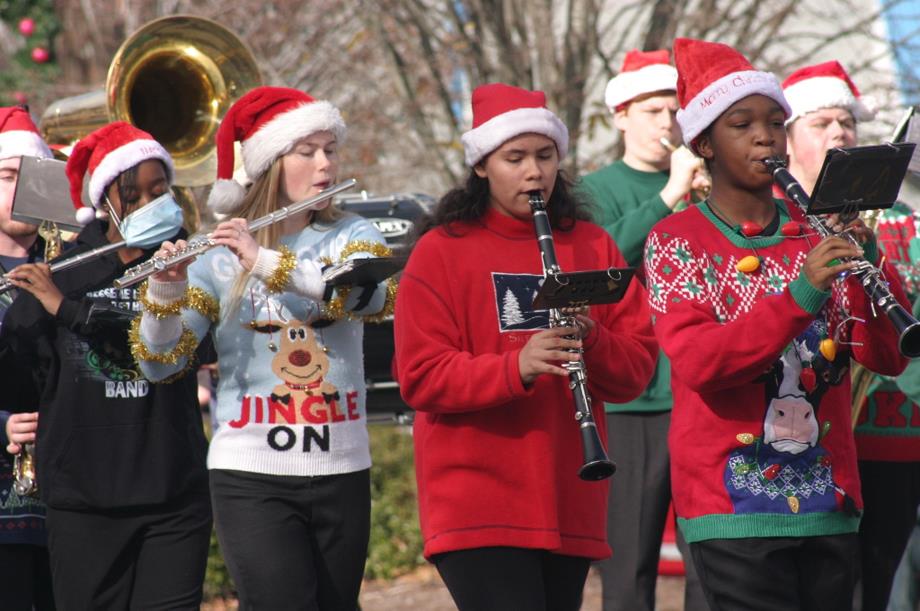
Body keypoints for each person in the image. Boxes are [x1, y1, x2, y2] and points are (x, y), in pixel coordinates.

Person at [646, 38, 910, 611]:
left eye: (775, 122)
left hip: (830, 500)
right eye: (742, 124)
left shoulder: (817, 230)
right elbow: (701, 362)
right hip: (730, 508)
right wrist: (803, 290)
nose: (766, 136)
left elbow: (886, 358)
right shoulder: (676, 241)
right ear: (703, 144)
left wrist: (872, 272)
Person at [393, 82, 658, 611]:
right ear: (481, 166)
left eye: (545, 156)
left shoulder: (591, 244)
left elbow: (636, 373)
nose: (534, 172)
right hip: (478, 501)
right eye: (514, 158)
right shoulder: (439, 252)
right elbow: (420, 376)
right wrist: (517, 366)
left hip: (570, 495)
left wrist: (595, 338)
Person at [133, 86, 393, 610]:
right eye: (307, 151)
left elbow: (368, 295)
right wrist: (165, 288)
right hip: (250, 472)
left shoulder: (352, 233)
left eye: (330, 149)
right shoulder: (216, 253)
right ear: (269, 163)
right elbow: (160, 364)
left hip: (343, 464)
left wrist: (266, 263)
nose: (325, 163)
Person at [0, 122, 212, 609]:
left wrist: (67, 310)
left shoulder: (190, 261)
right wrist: (25, 317)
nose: (150, 203)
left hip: (173, 496)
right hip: (84, 503)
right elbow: (17, 382)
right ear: (106, 202)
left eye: (160, 190)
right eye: (134, 195)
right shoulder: (67, 271)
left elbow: (182, 350)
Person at [782, 60, 920, 611]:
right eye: (821, 123)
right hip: (813, 432)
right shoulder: (774, 217)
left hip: (894, 433)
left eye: (847, 122)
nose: (840, 132)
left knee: (880, 581)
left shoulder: (902, 219)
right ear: (787, 141)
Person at [580, 48, 709, 611]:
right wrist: (666, 197)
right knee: (629, 564)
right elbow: (599, 268)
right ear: (620, 115)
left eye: (674, 110)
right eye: (654, 109)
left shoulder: (703, 187)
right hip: (632, 402)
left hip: (699, 392)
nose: (667, 122)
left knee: (709, 557)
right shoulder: (593, 189)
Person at [0, 105, 55, 611]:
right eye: (7, 175)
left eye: (30, 177)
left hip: (72, 510)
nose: (19, 190)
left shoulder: (75, 266)